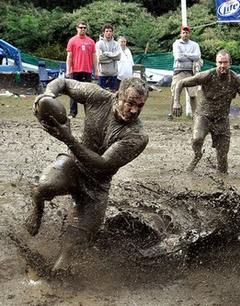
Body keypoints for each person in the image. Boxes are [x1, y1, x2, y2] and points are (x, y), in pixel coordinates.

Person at [25, 77, 149, 273]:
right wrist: (48, 94)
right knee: (43, 187)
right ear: (118, 96)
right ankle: (37, 209)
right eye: (130, 103)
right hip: (72, 165)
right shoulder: (97, 96)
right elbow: (63, 83)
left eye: (139, 106)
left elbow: (103, 163)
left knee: (70, 252)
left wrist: (67, 137)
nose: (134, 110)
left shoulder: (138, 136)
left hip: (97, 190)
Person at [172, 49, 240, 174]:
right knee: (197, 139)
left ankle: (222, 186)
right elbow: (180, 83)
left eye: (225, 63)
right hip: (204, 116)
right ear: (216, 63)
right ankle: (197, 156)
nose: (222, 66)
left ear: (229, 63)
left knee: (222, 162)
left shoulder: (235, 79)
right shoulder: (207, 75)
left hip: (222, 119)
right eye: (220, 63)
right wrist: (176, 102)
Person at [65, 21, 98, 119]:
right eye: (81, 27)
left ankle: (89, 113)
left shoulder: (91, 41)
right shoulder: (72, 41)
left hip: (87, 70)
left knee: (88, 93)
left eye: (84, 28)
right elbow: (69, 56)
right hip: (75, 70)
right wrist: (68, 69)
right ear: (77, 28)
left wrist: (96, 70)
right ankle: (72, 113)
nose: (82, 29)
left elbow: (94, 57)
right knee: (73, 92)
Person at [168, 25, 202, 120]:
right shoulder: (176, 43)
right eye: (183, 32)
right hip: (179, 71)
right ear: (180, 33)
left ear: (189, 34)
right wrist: (191, 56)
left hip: (191, 72)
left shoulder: (194, 44)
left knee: (193, 94)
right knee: (175, 92)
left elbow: (197, 57)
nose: (185, 34)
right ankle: (171, 114)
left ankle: (196, 116)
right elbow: (178, 57)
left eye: (187, 32)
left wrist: (185, 55)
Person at [96, 24, 121, 91]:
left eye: (110, 31)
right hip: (102, 74)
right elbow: (100, 58)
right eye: (106, 31)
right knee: (101, 94)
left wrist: (106, 54)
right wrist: (112, 58)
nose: (108, 33)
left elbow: (118, 57)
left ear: (112, 32)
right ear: (103, 32)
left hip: (113, 74)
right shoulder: (98, 44)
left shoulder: (116, 44)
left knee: (112, 95)